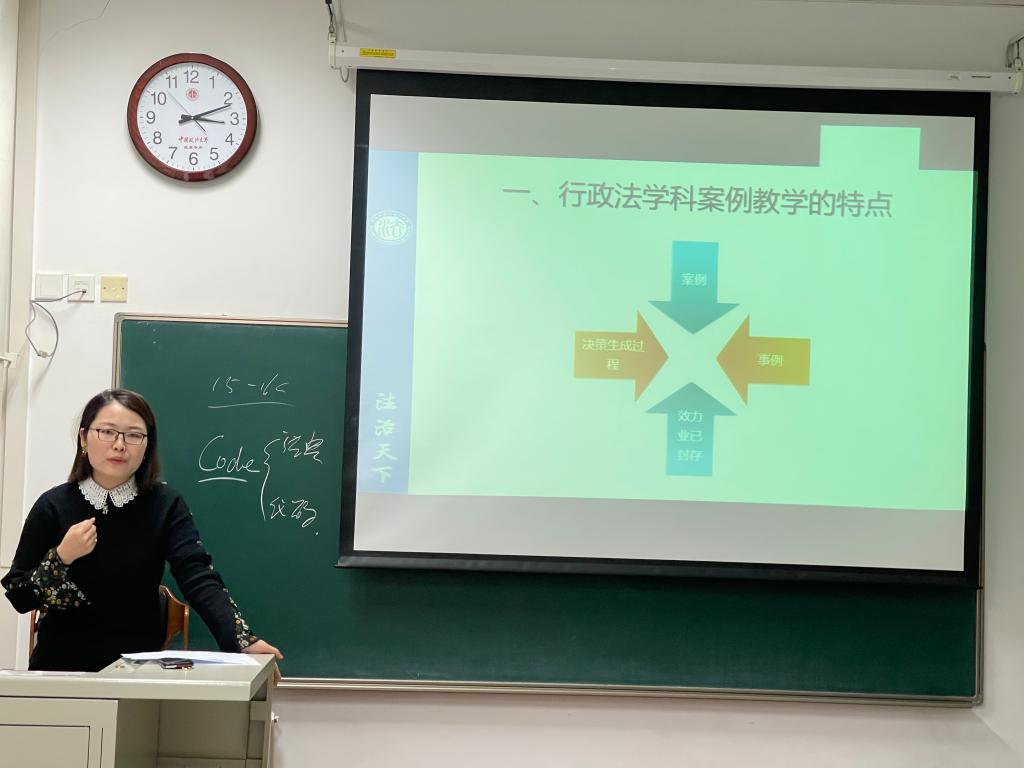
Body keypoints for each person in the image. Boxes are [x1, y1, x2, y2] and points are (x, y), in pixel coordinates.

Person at [1, 388, 283, 679]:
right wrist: (61, 557)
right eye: (107, 432)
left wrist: (242, 640)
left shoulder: (166, 504)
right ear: (84, 438)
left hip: (137, 671)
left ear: (147, 445)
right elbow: (20, 596)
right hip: (61, 671)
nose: (119, 445)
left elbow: (197, 577)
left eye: (134, 435)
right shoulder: (53, 505)